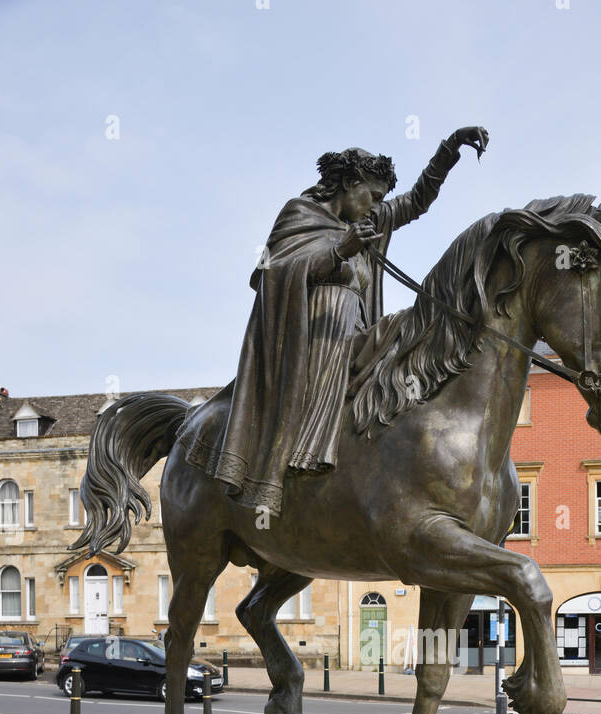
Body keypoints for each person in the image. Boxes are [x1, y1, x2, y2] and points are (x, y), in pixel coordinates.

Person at [178, 128, 488, 519]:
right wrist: (340, 249)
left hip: (356, 331)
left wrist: (449, 150)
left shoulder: (371, 219)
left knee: (411, 329)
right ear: (348, 183)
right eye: (372, 196)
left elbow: (417, 200)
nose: (377, 205)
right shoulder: (300, 213)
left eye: (381, 199)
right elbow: (267, 274)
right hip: (312, 339)